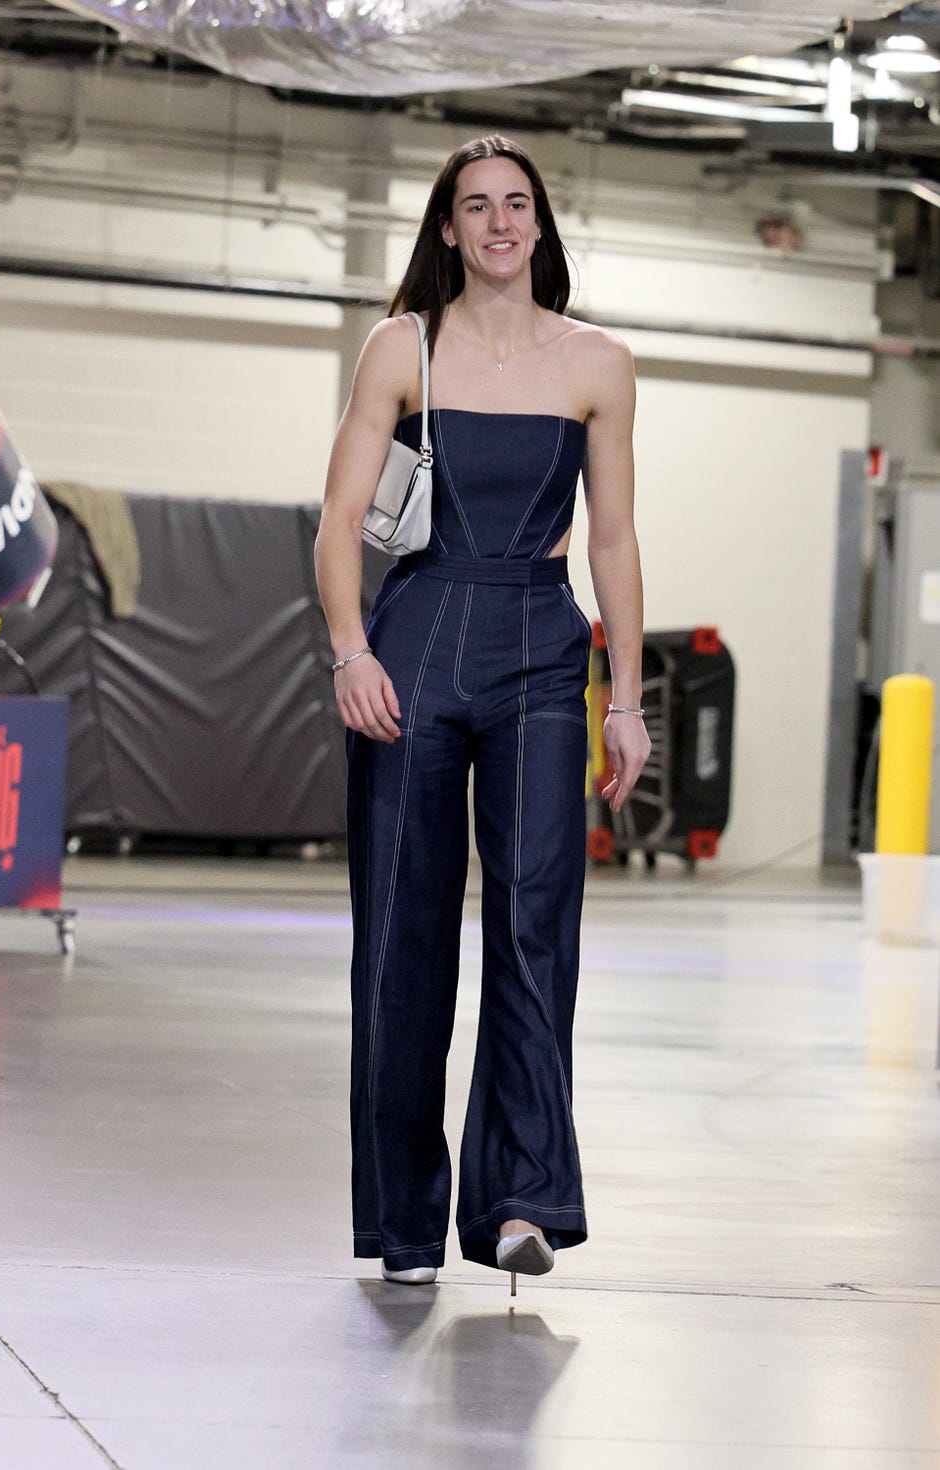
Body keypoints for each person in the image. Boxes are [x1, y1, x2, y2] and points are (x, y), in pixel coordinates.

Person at [314, 134, 650, 1291]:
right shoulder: (401, 346)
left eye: (518, 204)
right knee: (402, 937)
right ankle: (404, 1222)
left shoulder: (598, 364)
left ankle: (520, 1201)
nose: (500, 222)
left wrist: (628, 700)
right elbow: (339, 514)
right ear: (447, 230)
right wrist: (349, 650)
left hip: (542, 655)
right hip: (414, 645)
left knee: (531, 927)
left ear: (540, 225)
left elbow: (609, 538)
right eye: (477, 206)